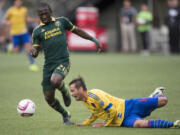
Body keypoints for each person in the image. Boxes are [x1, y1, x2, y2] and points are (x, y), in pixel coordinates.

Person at [30, 3, 102, 125]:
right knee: (49, 98)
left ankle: (65, 92)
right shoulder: (37, 31)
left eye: (46, 13)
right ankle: (65, 115)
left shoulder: (61, 21)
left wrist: (94, 40)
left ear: (50, 12)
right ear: (38, 16)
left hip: (63, 61)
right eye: (41, 15)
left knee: (55, 80)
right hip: (48, 66)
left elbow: (77, 31)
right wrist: (33, 52)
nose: (44, 16)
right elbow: (35, 50)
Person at [69, 76, 180, 128]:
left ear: (81, 89)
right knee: (140, 124)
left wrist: (104, 125)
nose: (71, 93)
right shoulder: (85, 100)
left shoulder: (95, 95)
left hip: (129, 106)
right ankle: (174, 124)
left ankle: (156, 95)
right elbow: (96, 113)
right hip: (124, 121)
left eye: (72, 90)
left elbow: (111, 111)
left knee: (163, 100)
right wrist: (85, 123)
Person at [4, 0, 38, 71]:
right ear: (15, 2)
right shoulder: (11, 11)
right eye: (17, 2)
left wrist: (34, 20)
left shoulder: (24, 10)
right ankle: (10, 48)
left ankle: (32, 64)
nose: (19, 3)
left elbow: (26, 19)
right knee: (16, 50)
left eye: (20, 2)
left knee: (29, 48)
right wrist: (8, 22)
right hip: (15, 33)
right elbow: (5, 20)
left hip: (23, 32)